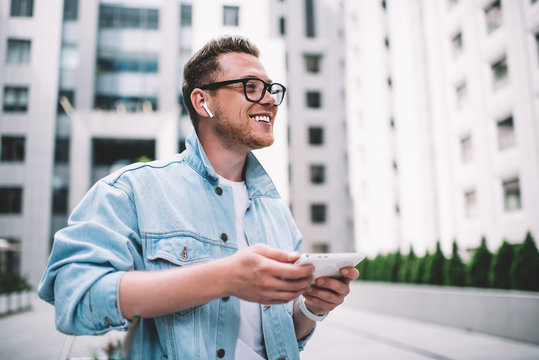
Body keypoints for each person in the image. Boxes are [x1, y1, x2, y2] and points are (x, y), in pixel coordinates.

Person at [38, 35, 359, 360]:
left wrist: (312, 309)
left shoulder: (276, 211)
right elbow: (73, 297)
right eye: (250, 87)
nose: (269, 101)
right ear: (202, 102)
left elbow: (280, 334)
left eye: (272, 89)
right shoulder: (133, 190)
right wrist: (224, 278)